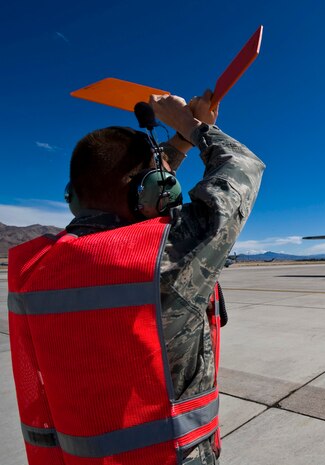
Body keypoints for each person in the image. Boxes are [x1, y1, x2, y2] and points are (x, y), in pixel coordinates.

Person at [7, 91, 264, 465]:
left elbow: (133, 196)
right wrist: (192, 126)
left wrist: (176, 146)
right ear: (155, 191)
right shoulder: (163, 258)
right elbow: (243, 166)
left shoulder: (39, 268)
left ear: (73, 196)